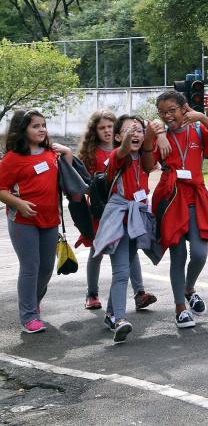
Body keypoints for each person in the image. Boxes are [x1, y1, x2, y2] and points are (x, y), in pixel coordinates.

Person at [145, 90, 208, 329]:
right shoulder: (160, 132)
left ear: (184, 108)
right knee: (177, 256)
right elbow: (149, 166)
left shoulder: (198, 130)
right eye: (162, 112)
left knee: (200, 253)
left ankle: (189, 287)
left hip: (196, 197)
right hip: (170, 199)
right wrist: (154, 138)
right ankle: (180, 307)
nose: (167, 115)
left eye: (172, 110)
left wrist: (202, 118)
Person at [0, 109, 74, 334]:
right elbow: (1, 189)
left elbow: (67, 175)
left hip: (51, 220)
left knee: (46, 268)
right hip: (23, 221)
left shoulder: (50, 153)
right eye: (35, 126)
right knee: (30, 267)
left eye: (43, 125)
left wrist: (68, 152)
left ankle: (33, 302)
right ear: (22, 130)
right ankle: (29, 315)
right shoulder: (12, 158)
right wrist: (20, 204)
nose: (42, 129)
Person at [76, 109, 156, 312]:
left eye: (110, 127)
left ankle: (134, 296)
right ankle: (93, 293)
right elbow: (86, 180)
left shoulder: (140, 153)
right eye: (102, 127)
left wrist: (156, 134)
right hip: (107, 210)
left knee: (128, 258)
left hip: (133, 213)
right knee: (99, 251)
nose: (107, 131)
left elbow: (150, 156)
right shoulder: (107, 153)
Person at [96, 114, 158, 343]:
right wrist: (131, 137)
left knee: (128, 263)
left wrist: (153, 139)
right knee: (121, 272)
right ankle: (120, 320)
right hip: (119, 220)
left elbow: (152, 162)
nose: (135, 133)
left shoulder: (145, 158)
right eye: (129, 130)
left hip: (137, 219)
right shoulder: (117, 156)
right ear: (118, 136)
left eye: (140, 130)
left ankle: (111, 314)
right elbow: (122, 150)